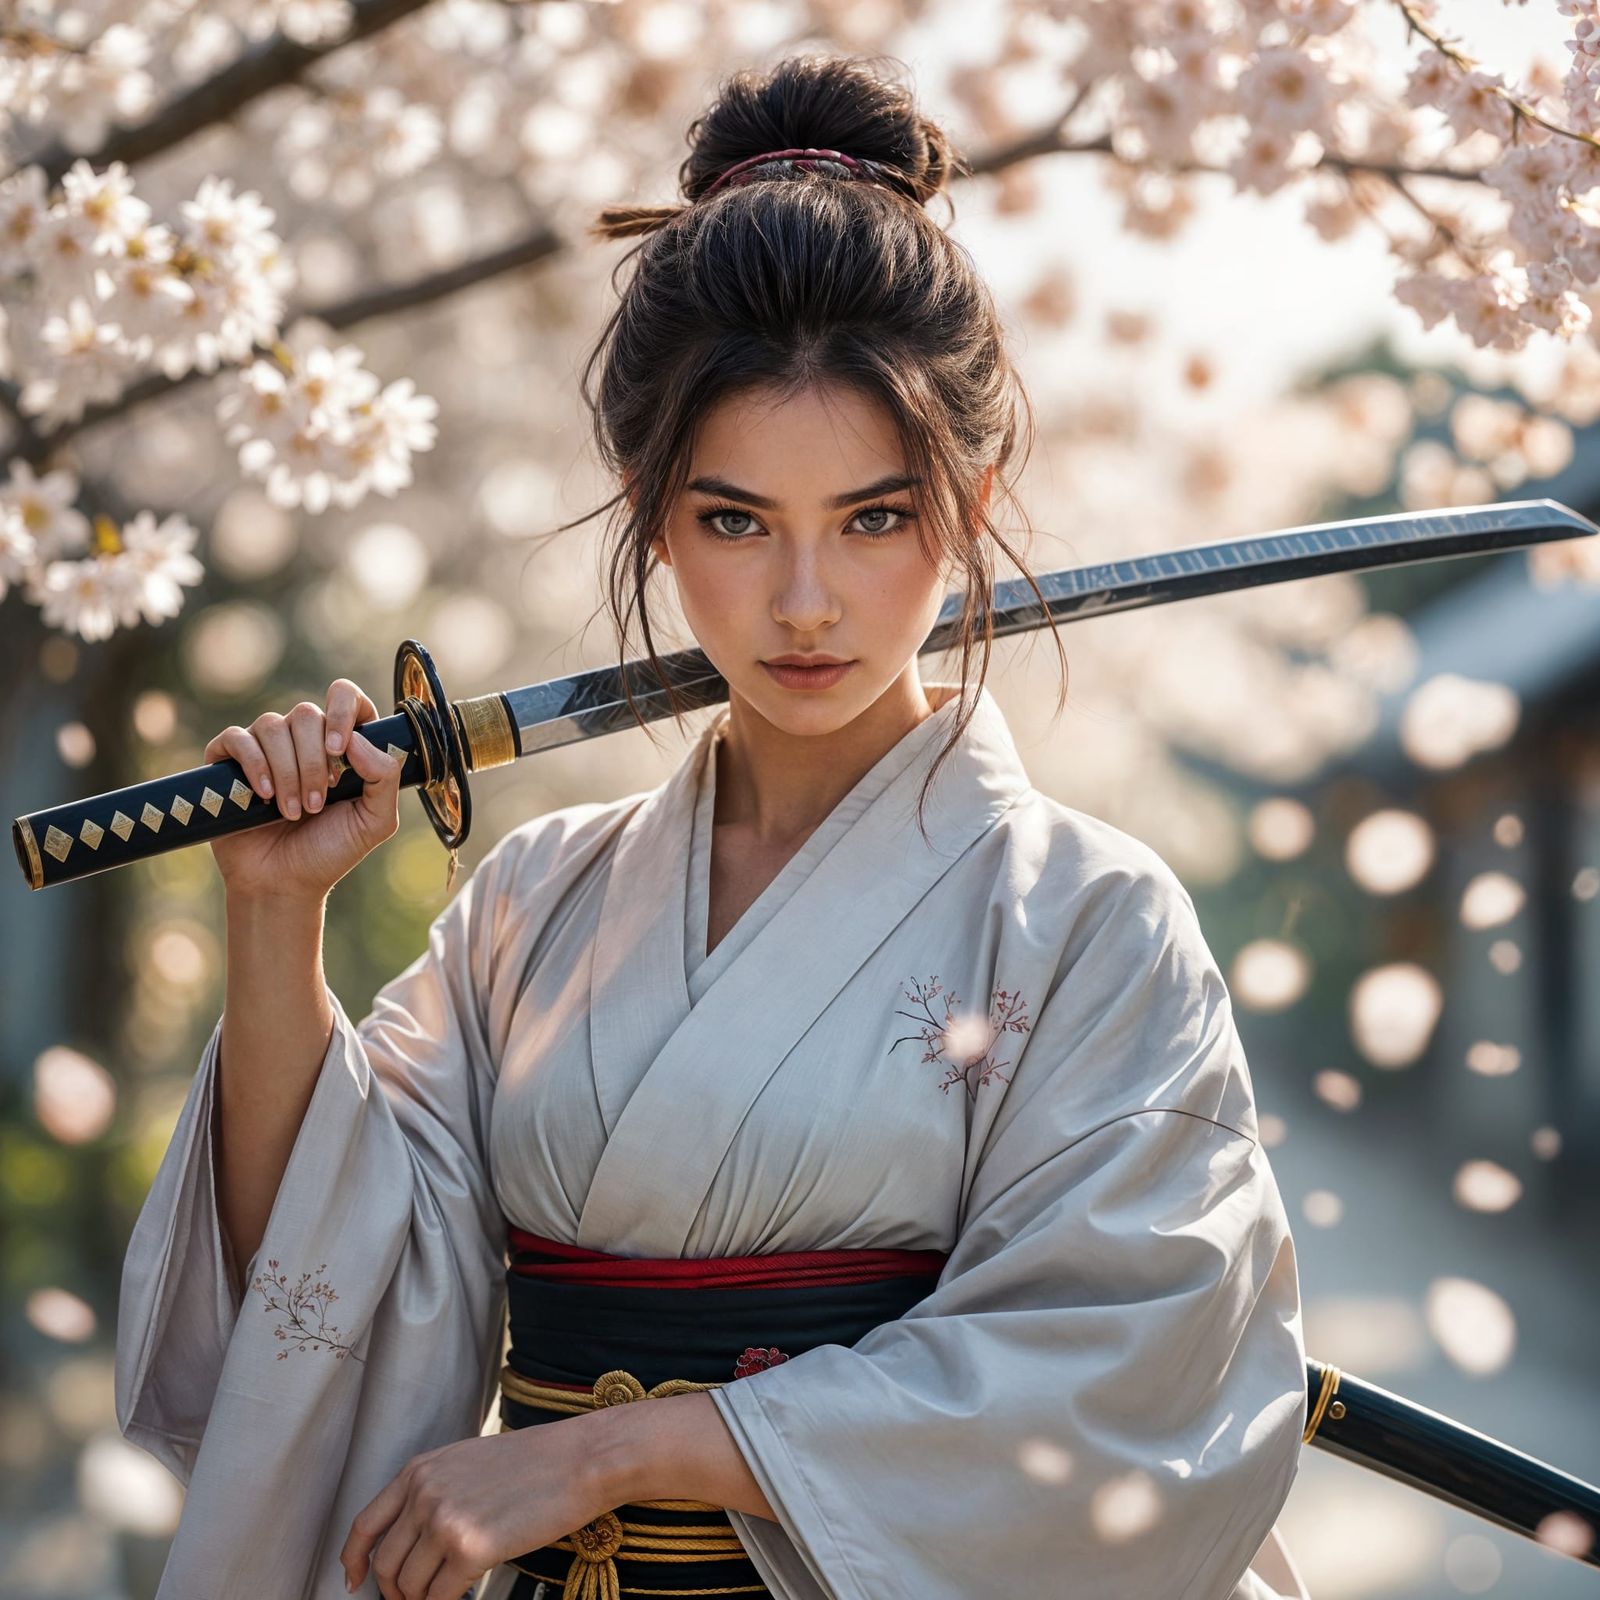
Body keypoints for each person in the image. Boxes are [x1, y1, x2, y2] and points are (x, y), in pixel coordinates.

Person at [114, 53, 1311, 1600]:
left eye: (873, 518)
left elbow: (1123, 1366)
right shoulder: (537, 901)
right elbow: (320, 1286)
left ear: (968, 499)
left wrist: (618, 1451)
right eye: (735, 520)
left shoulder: (1090, 919)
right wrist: (274, 917)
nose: (803, 603)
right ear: (651, 503)